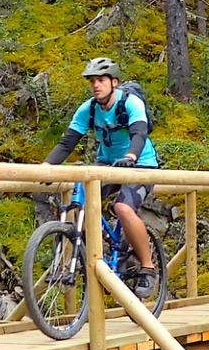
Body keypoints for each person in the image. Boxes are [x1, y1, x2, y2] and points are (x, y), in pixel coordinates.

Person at [44, 56, 160, 297]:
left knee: (123, 209)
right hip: (106, 165)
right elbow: (67, 143)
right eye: (92, 81)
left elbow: (139, 134)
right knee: (81, 204)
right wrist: (45, 166)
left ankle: (148, 268)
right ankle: (98, 252)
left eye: (101, 80)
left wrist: (130, 155)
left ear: (114, 82)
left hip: (140, 164)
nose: (96, 85)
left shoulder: (131, 103)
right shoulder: (88, 109)